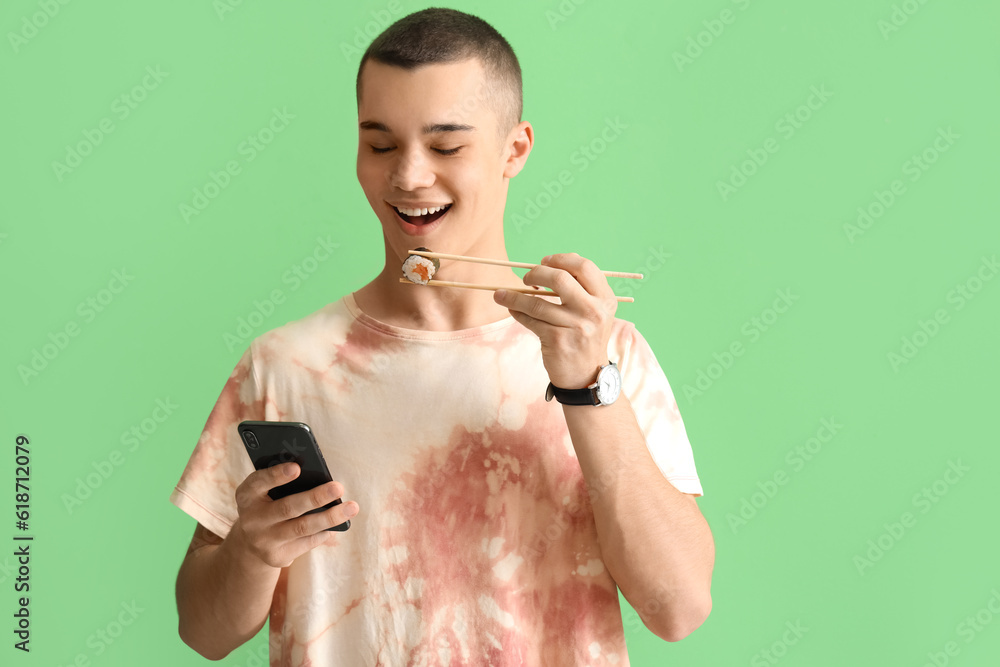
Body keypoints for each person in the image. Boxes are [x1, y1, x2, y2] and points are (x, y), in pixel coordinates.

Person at [171, 7, 714, 666]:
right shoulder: (285, 364)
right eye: (380, 144)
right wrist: (250, 553)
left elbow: (679, 606)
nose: (408, 176)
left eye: (446, 145)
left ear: (514, 149)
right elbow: (203, 631)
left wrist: (587, 386)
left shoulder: (607, 352)